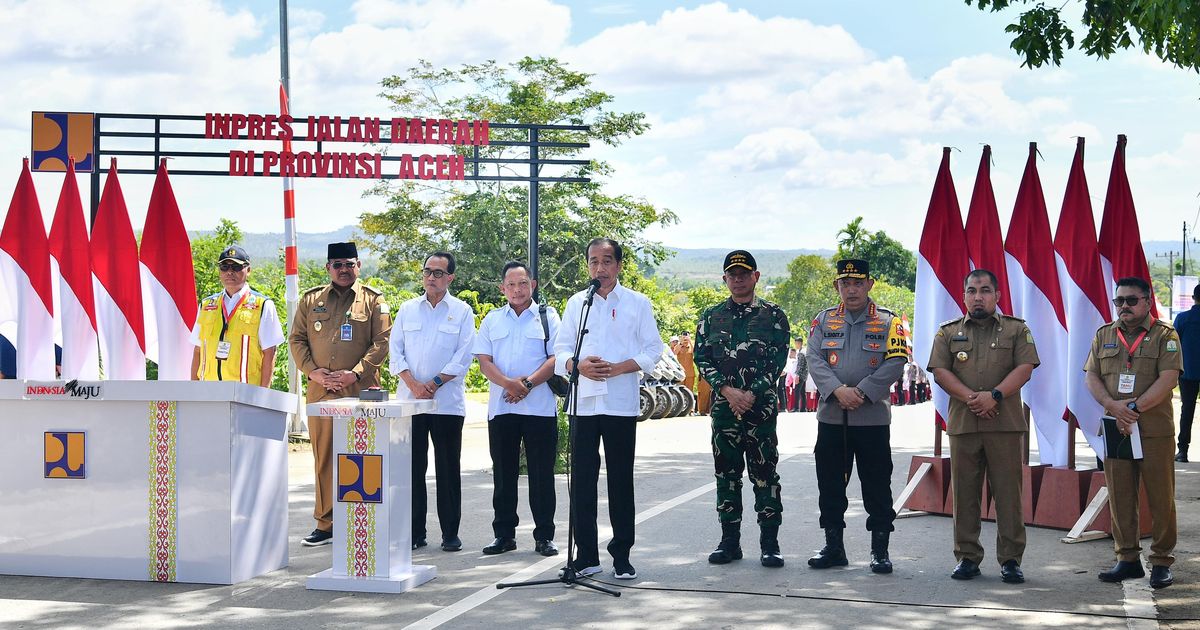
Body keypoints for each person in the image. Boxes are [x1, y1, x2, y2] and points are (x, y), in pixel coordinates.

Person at [553, 238, 663, 580]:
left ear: (618, 265)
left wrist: (620, 367)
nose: (599, 268)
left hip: (619, 404)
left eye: (606, 261)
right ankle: (586, 555)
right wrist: (576, 365)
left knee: (620, 481)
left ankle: (622, 555)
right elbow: (559, 351)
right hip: (583, 404)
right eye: (593, 262)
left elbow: (653, 350)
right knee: (582, 482)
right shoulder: (577, 304)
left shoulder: (637, 303)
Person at [927, 269, 1039, 584]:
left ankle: (1011, 560)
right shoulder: (947, 332)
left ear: (997, 295)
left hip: (1004, 424)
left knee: (1008, 495)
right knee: (964, 494)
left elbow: (1026, 367)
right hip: (964, 424)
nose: (979, 296)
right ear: (964, 295)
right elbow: (940, 371)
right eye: (973, 290)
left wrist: (995, 396)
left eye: (985, 290)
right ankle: (967, 557)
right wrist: (973, 399)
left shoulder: (1016, 330)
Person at [806, 259, 909, 574]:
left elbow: (896, 360)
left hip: (872, 420)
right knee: (830, 484)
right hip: (832, 418)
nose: (851, 289)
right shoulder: (823, 321)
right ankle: (834, 547)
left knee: (877, 485)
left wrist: (862, 392)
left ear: (869, 285)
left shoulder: (889, 322)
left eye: (857, 283)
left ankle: (880, 551)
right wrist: (837, 391)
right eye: (844, 283)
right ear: (837, 286)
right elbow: (814, 357)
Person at [289, 242, 392, 547]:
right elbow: (296, 338)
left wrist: (355, 372)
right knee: (324, 456)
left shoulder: (373, 300)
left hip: (361, 390)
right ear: (328, 268)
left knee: (362, 455)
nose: (344, 270)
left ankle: (363, 519)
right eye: (337, 264)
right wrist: (312, 371)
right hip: (321, 389)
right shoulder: (311, 300)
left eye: (349, 264)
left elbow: (382, 341)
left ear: (358, 265)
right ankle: (326, 522)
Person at [695, 250, 790, 567]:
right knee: (727, 475)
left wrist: (750, 393)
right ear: (725, 279)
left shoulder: (774, 316)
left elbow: (777, 362)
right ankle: (729, 542)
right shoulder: (711, 317)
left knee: (765, 475)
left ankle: (770, 544)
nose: (738, 279)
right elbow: (702, 359)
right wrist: (727, 390)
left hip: (760, 409)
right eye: (732, 274)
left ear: (756, 276)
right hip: (724, 410)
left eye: (743, 273)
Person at [1085, 276, 1180, 589]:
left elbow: (1168, 379)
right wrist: (1113, 406)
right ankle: (1127, 559)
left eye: (1131, 300)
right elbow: (1092, 377)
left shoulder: (1165, 335)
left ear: (1147, 302)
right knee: (1121, 495)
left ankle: (1162, 561)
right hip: (1118, 429)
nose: (1123, 306)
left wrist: (1134, 409)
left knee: (1160, 497)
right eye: (1119, 301)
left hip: (1152, 431)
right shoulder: (1104, 335)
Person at [390, 252, 476, 552]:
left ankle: (450, 533)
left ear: (450, 277)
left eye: (438, 273)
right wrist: (414, 385)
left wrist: (435, 383)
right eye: (427, 271)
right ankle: (415, 532)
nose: (431, 277)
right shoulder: (407, 309)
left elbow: (463, 356)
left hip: (447, 404)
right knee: (412, 469)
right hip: (411, 403)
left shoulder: (462, 311)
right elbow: (395, 352)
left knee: (447, 469)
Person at [473, 261, 560, 557]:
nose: (517, 290)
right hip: (502, 410)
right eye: (511, 285)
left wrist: (527, 384)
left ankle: (544, 536)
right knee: (504, 475)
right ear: (502, 289)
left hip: (539, 410)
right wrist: (509, 384)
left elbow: (555, 359)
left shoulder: (548, 317)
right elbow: (484, 361)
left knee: (542, 476)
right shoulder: (492, 320)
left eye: (523, 283)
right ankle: (504, 535)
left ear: (532, 285)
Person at [189, 245, 284, 388]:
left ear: (248, 270)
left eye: (236, 267)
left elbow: (269, 353)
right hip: (209, 391)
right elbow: (198, 350)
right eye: (224, 267)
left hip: (245, 393)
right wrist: (193, 391)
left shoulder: (263, 305)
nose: (229, 272)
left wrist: (263, 396)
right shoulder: (206, 305)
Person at [1172, 283, 1200, 462]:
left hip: (1187, 371)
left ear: (1193, 298)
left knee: (1187, 410)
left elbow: (1173, 346)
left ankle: (1183, 451)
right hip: (1188, 371)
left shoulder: (1182, 319)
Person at [793, 337, 808, 412]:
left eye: (796, 343)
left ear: (800, 343)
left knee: (797, 391)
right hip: (805, 374)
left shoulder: (801, 353)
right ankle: (803, 408)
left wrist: (797, 375)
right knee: (802, 392)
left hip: (801, 374)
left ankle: (796, 408)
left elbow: (800, 365)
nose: (795, 345)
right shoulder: (804, 351)